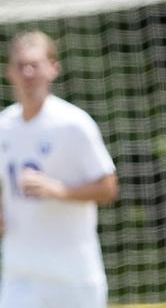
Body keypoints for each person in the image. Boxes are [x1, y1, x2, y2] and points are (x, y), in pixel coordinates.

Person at [0, 31, 118, 308]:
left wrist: (58, 189)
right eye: (20, 65)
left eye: (35, 64)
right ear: (9, 72)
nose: (27, 73)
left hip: (73, 276)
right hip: (21, 274)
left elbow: (108, 187)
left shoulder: (74, 124)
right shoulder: (3, 125)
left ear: (53, 68)